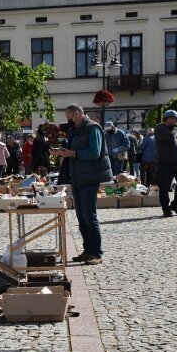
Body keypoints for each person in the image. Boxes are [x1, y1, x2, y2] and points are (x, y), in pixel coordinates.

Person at [50, 104, 112, 266]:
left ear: (76, 114)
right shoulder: (77, 130)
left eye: (69, 118)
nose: (68, 122)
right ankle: (88, 250)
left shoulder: (93, 128)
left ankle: (96, 252)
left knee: (89, 215)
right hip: (77, 177)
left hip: (90, 177)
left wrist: (73, 154)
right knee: (81, 216)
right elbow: (73, 150)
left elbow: (95, 152)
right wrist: (62, 151)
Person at [155, 110, 177, 217]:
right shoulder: (160, 128)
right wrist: (175, 128)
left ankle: (176, 204)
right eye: (175, 118)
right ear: (169, 118)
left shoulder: (174, 128)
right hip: (165, 163)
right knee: (164, 187)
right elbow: (171, 138)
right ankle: (166, 209)